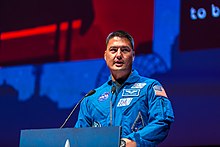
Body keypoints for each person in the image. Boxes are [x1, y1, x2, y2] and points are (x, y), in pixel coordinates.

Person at [75, 30, 174, 147]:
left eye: (124, 50)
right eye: (113, 50)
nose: (118, 55)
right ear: (105, 56)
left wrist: (128, 143)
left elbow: (161, 122)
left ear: (133, 56)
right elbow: (79, 138)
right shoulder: (91, 98)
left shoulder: (150, 87)